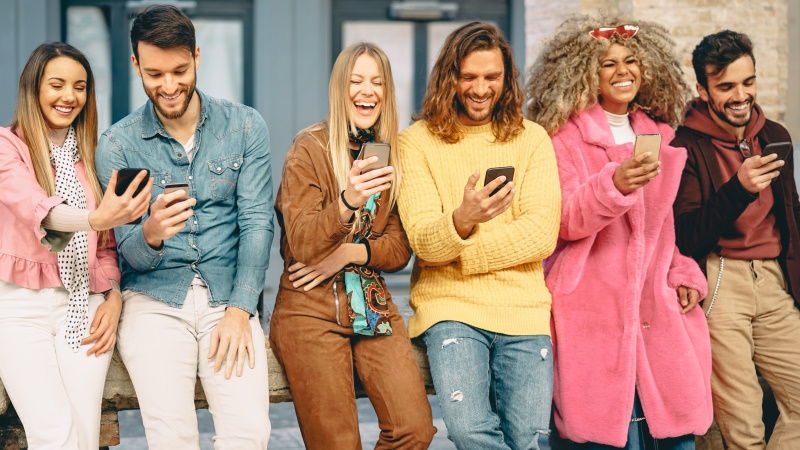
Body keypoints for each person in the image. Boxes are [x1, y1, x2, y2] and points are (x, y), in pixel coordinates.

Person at [526, 14, 712, 449]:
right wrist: (614, 185)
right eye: (608, 63)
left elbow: (662, 228)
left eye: (630, 61)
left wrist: (682, 271)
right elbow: (564, 220)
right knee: (607, 433)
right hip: (590, 305)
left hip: (656, 306)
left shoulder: (661, 135)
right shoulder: (563, 138)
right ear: (586, 73)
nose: (622, 71)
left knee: (674, 429)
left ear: (646, 68)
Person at [94, 5, 273, 448]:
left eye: (180, 70)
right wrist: (151, 232)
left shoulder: (247, 126)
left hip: (227, 297)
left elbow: (256, 223)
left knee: (248, 433)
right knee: (171, 435)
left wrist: (240, 309)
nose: (169, 86)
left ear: (197, 56)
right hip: (152, 300)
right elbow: (124, 253)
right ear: (136, 64)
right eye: (155, 74)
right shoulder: (116, 144)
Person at [397, 22, 560, 450]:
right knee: (470, 431)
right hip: (450, 308)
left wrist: (462, 250)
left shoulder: (532, 140)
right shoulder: (416, 143)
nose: (480, 88)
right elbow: (424, 242)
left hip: (523, 309)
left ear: (507, 80)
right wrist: (464, 218)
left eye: (492, 77)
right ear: (448, 78)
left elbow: (541, 234)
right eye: (468, 77)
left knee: (529, 439)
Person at [270, 41, 436, 450]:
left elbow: (400, 247)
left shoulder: (390, 152)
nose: (368, 90)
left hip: (372, 304)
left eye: (377, 82)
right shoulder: (308, 148)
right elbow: (303, 242)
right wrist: (347, 201)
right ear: (340, 88)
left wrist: (351, 252)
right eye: (356, 80)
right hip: (310, 308)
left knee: (414, 431)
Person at [0, 42, 151, 449]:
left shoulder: (91, 158)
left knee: (85, 431)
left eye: (80, 86)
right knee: (54, 432)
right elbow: (38, 210)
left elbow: (103, 249)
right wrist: (96, 218)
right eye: (57, 84)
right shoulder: (6, 148)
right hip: (19, 308)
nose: (69, 96)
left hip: (84, 304)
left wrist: (114, 297)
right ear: (33, 90)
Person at [672, 30, 800, 449]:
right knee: (742, 424)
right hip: (722, 278)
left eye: (748, 82)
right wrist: (739, 188)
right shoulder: (685, 145)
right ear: (703, 89)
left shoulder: (775, 135)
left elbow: (791, 216)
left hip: (775, 281)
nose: (740, 95)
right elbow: (688, 235)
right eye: (725, 86)